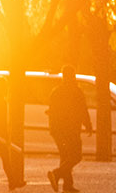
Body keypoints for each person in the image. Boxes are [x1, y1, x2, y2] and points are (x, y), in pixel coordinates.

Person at [47, 65, 92, 193]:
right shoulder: (76, 91)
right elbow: (83, 109)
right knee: (76, 156)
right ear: (72, 76)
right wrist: (88, 124)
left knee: (65, 156)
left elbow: (51, 111)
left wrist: (52, 129)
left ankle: (67, 185)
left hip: (58, 130)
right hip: (71, 129)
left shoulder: (56, 92)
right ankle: (57, 174)